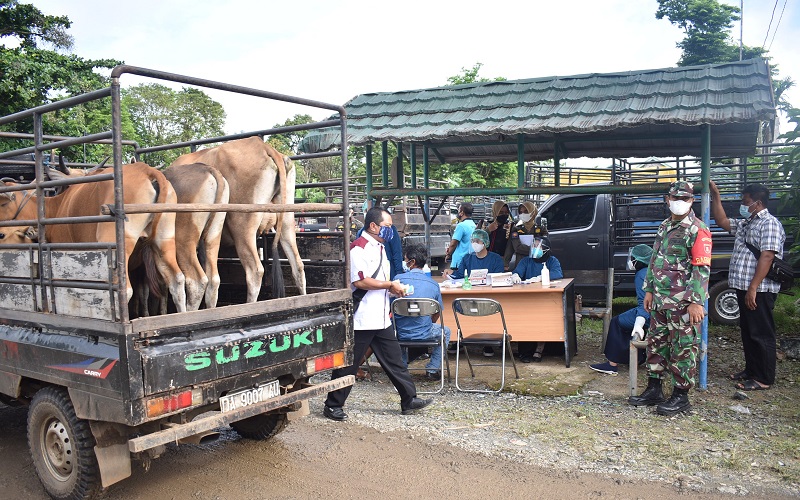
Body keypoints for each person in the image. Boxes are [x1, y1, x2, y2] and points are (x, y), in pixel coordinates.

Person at [323, 207, 432, 421]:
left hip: (381, 317)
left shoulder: (379, 247)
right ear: (373, 226)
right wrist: (389, 284)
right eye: (387, 227)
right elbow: (360, 281)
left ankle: (409, 399)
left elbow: (378, 281)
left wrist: (390, 287)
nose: (390, 231)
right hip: (362, 318)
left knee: (395, 361)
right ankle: (333, 405)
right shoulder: (359, 249)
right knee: (349, 365)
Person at [629, 181, 711, 416]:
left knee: (682, 347)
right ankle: (655, 389)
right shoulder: (665, 226)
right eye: (675, 198)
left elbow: (701, 268)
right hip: (660, 301)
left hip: (684, 303)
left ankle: (681, 396)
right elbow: (655, 260)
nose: (679, 203)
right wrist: (649, 290)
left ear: (692, 201)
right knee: (657, 344)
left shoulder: (698, 229)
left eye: (685, 199)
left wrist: (697, 301)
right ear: (667, 200)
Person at [710, 181, 785, 391]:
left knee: (761, 333)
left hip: (760, 289)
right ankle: (752, 370)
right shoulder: (747, 223)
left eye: (746, 201)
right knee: (748, 331)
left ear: (757, 202)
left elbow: (768, 256)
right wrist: (716, 194)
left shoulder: (769, 223)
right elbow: (722, 221)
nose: (744, 205)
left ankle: (764, 378)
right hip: (745, 287)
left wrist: (753, 287)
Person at [589, 244, 654, 375]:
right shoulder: (652, 271)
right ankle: (635, 358)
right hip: (660, 313)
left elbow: (644, 305)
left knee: (616, 322)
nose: (631, 260)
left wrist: (639, 323)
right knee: (625, 318)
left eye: (633, 258)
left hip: (649, 314)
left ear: (639, 260)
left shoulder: (641, 275)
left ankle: (612, 364)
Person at [394, 244, 452, 378]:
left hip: (399, 332)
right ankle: (433, 369)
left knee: (396, 327)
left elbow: (390, 306)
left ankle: (402, 369)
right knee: (446, 331)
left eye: (405, 259)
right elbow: (437, 312)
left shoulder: (397, 280)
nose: (404, 262)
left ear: (412, 262)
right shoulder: (433, 284)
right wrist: (426, 323)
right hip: (424, 331)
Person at [511, 236, 564, 362]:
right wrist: (516, 276)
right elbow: (517, 271)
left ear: (545, 249)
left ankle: (540, 349)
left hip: (546, 299)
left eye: (538, 246)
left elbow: (558, 273)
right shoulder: (526, 261)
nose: (534, 248)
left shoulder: (552, 260)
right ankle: (526, 353)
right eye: (533, 246)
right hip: (528, 300)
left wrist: (541, 278)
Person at [357, 199, 402, 279]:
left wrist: (398, 276)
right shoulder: (359, 239)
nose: (389, 228)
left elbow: (396, 253)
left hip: (389, 273)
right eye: (365, 211)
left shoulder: (390, 231)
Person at [504, 201, 546, 270]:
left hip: (537, 265)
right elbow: (514, 247)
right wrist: (506, 263)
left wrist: (535, 250)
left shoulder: (541, 229)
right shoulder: (516, 229)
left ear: (533, 212)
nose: (523, 214)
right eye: (521, 212)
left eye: (526, 211)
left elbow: (544, 247)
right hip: (521, 265)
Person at [445, 203, 476, 272]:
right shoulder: (474, 225)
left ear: (462, 213)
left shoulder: (461, 226)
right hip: (469, 260)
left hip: (459, 262)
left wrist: (448, 254)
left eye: (459, 210)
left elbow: (453, 244)